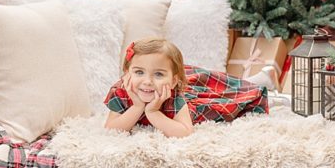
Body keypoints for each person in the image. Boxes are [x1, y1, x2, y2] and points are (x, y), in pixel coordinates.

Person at [104, 38, 269, 137]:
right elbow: (111, 129)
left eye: (158, 74)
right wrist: (138, 107)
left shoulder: (174, 95)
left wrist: (153, 112)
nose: (147, 81)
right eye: (139, 72)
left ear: (173, 81)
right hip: (172, 83)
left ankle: (253, 84)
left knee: (216, 87)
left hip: (189, 87)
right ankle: (253, 81)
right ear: (127, 74)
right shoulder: (122, 92)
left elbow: (185, 132)